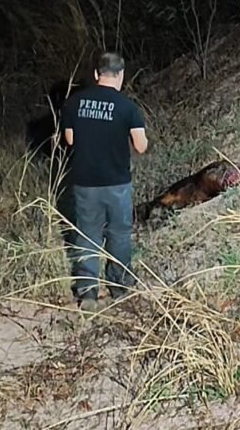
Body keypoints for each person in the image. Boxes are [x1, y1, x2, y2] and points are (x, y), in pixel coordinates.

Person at [61, 52, 148, 312]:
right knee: (119, 234)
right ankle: (119, 287)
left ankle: (87, 292)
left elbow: (70, 140)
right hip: (117, 182)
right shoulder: (127, 108)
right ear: (121, 75)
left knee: (87, 234)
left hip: (85, 182)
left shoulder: (74, 103)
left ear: (97, 74)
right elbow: (141, 146)